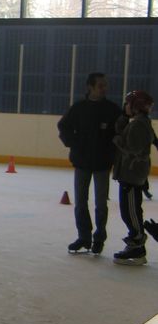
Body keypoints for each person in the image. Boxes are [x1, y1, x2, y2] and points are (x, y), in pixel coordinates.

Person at [57, 73, 123, 255]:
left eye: (105, 85)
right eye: (100, 85)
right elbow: (63, 126)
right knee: (80, 202)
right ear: (90, 87)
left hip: (102, 163)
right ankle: (84, 237)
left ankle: (99, 238)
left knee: (101, 203)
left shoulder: (112, 109)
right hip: (82, 162)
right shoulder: (79, 108)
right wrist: (74, 143)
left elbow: (122, 129)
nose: (104, 88)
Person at [110, 90, 156, 265]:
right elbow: (123, 131)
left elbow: (133, 149)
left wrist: (118, 142)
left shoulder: (138, 125)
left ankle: (137, 245)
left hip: (131, 174)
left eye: (127, 103)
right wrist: (123, 117)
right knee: (128, 210)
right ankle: (135, 242)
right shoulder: (137, 122)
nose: (125, 106)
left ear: (135, 106)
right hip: (130, 173)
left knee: (130, 211)